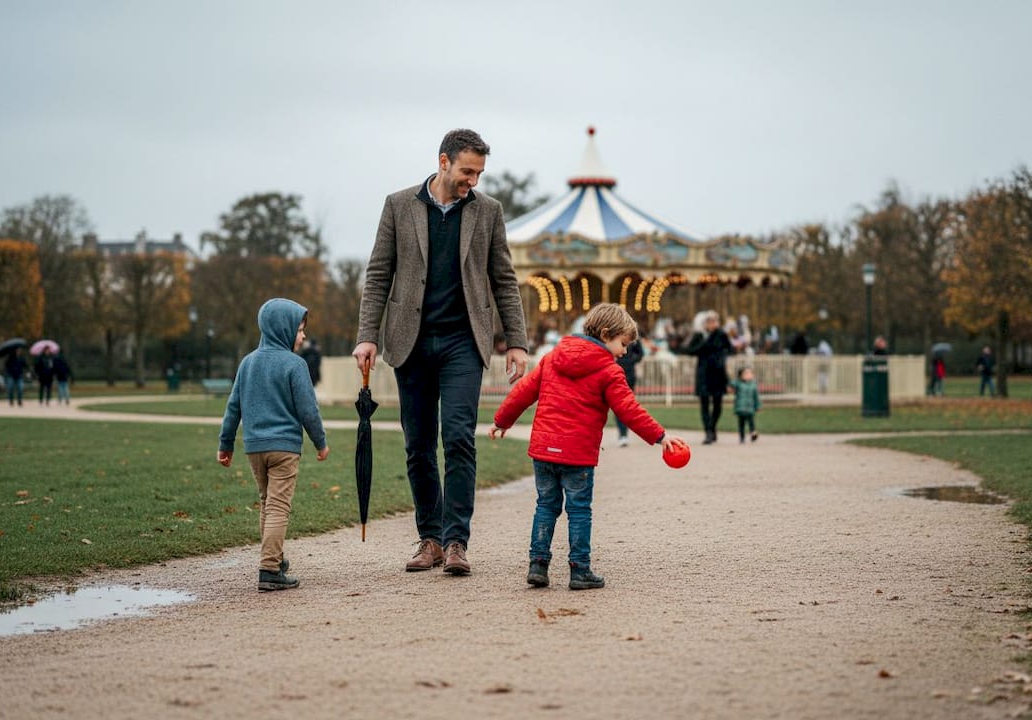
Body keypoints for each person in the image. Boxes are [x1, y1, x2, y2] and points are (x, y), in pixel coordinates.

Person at [353, 128, 530, 576]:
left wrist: (517, 341)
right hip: (409, 341)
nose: (474, 180)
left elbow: (504, 279)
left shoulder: (488, 211)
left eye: (480, 173)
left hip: (462, 342)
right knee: (417, 446)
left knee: (458, 438)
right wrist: (366, 335)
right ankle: (429, 538)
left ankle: (455, 542)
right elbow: (378, 274)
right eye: (468, 171)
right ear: (444, 161)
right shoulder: (398, 205)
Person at [489, 303, 687, 590]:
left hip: (544, 449)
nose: (625, 351)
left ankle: (538, 564)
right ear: (606, 334)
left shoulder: (553, 357)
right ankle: (579, 569)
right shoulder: (609, 370)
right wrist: (660, 436)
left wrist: (502, 420)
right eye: (623, 343)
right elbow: (629, 409)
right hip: (577, 454)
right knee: (579, 510)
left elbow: (523, 392)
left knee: (545, 506)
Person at [218, 298, 330, 592]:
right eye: (299, 330)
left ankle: (274, 558)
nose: (303, 336)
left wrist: (225, 443)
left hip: (254, 447)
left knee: (268, 503)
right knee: (279, 506)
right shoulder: (295, 364)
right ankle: (269, 569)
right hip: (284, 448)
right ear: (283, 329)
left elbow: (233, 407)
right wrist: (320, 442)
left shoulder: (247, 363)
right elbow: (308, 410)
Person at [681, 310, 732, 445]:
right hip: (703, 374)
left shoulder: (721, 335)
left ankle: (712, 426)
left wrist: (722, 358)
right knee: (704, 404)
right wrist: (703, 343)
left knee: (717, 404)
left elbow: (729, 349)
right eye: (709, 322)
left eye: (714, 321)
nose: (711, 324)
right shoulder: (699, 336)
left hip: (718, 373)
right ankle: (708, 432)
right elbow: (689, 350)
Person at [613, 334, 645, 447]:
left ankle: (624, 432)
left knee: (628, 405)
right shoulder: (615, 336)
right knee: (618, 405)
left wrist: (631, 361)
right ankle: (622, 434)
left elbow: (640, 354)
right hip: (616, 372)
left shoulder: (634, 338)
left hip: (630, 375)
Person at [730, 366, 762, 443]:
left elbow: (756, 397)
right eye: (746, 374)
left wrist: (758, 406)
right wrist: (737, 379)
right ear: (741, 376)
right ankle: (742, 437)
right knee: (741, 424)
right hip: (740, 408)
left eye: (750, 373)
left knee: (751, 422)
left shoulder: (753, 385)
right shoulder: (738, 384)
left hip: (750, 408)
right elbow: (731, 384)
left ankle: (753, 433)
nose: (749, 375)